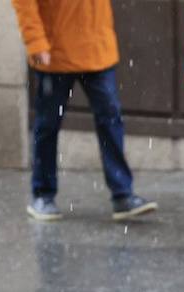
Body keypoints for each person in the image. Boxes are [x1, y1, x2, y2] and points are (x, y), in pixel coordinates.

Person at [11, 0, 156, 223]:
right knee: (48, 125)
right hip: (55, 52)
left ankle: (122, 193)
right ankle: (43, 194)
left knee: (110, 118)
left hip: (97, 48)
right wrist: (36, 42)